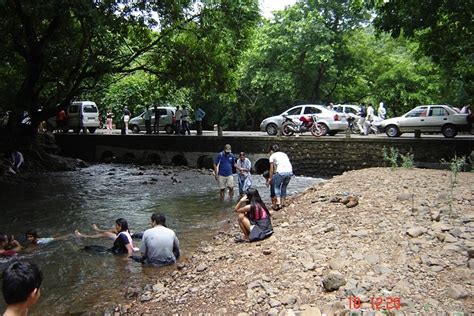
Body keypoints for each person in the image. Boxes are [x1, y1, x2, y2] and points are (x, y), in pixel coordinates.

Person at [267, 144, 293, 210]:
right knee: (284, 187)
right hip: (289, 172)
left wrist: (270, 178)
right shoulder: (284, 154)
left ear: (271, 151)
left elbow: (271, 169)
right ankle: (283, 202)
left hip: (281, 172)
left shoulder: (272, 156)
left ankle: (278, 202)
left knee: (276, 186)